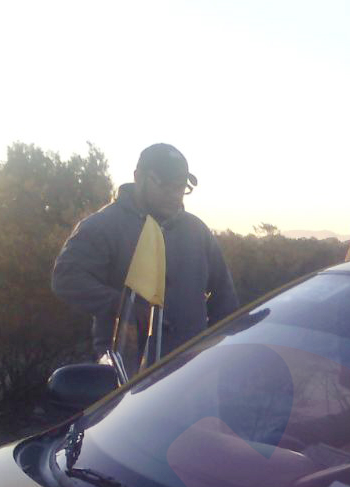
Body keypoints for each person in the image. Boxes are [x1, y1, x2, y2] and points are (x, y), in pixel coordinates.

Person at [52, 143, 238, 359]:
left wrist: (221, 352)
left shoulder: (197, 231)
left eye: (180, 187)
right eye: (165, 185)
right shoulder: (102, 226)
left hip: (192, 373)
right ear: (138, 177)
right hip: (128, 375)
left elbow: (225, 299)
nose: (174, 195)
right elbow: (66, 279)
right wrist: (125, 309)